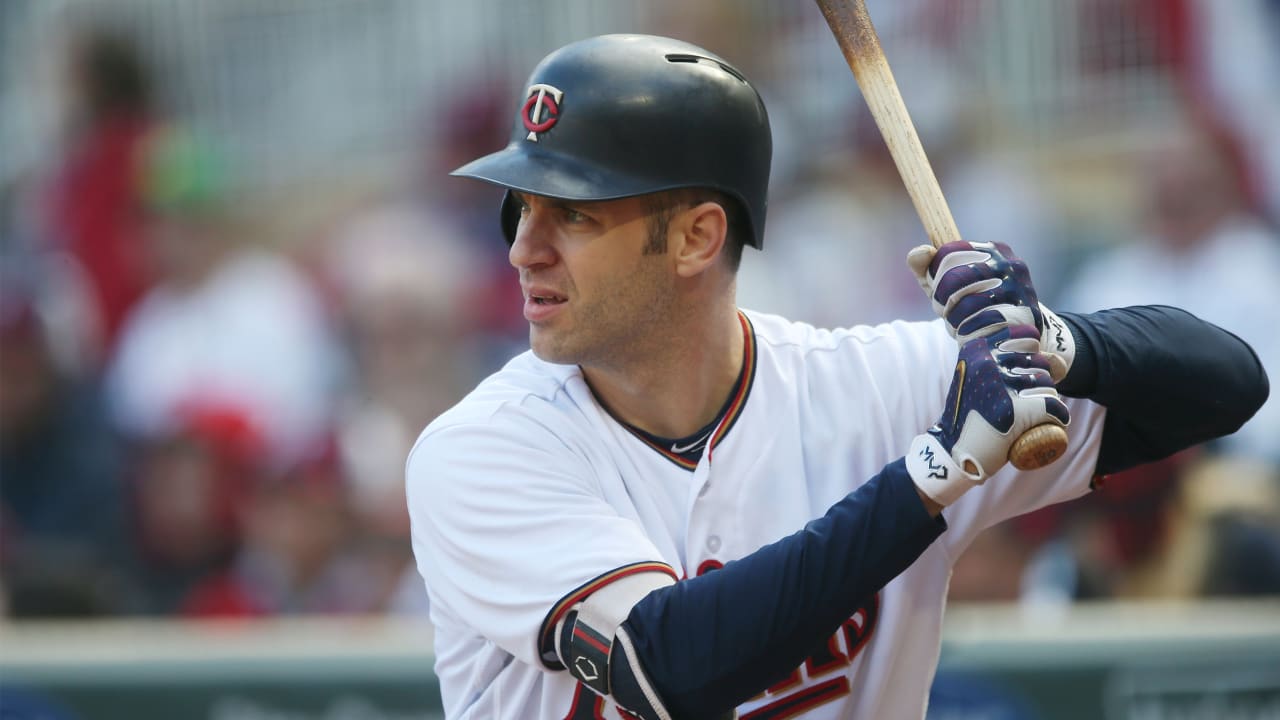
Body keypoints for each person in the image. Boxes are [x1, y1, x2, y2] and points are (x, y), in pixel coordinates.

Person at [405, 35, 1267, 720]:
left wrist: (1047, 339)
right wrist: (933, 474)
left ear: (698, 238)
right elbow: (669, 667)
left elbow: (1225, 382)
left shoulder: (868, 386)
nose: (523, 249)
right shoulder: (484, 449)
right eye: (523, 209)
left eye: (573, 215)